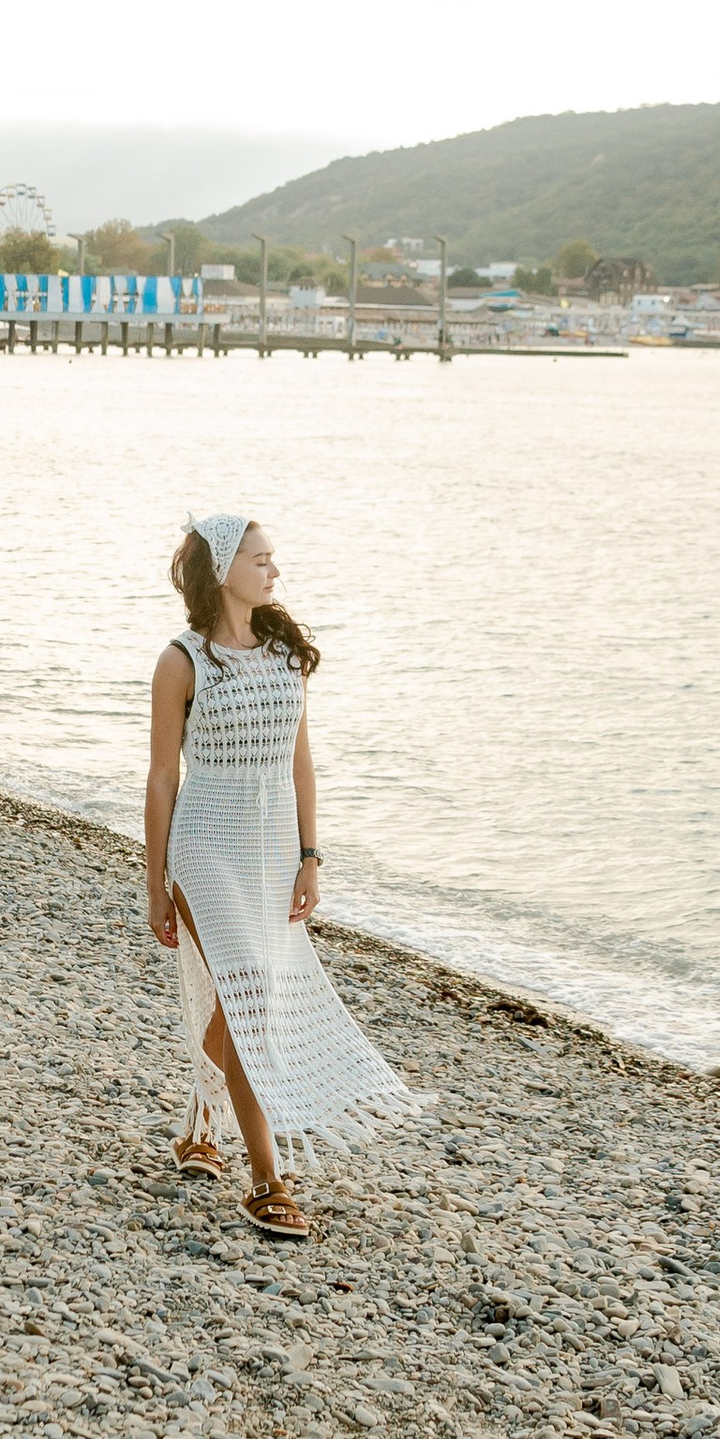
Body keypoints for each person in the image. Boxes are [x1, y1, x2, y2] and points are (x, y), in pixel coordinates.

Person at [144, 512, 428, 1238]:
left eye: (274, 559)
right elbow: (161, 777)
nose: (274, 571)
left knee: (243, 1001)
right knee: (254, 999)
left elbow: (301, 761)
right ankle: (267, 1179)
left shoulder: (284, 651)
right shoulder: (183, 661)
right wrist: (154, 883)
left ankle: (200, 1122)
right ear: (221, 571)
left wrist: (310, 856)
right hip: (205, 846)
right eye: (260, 560)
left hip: (271, 853)